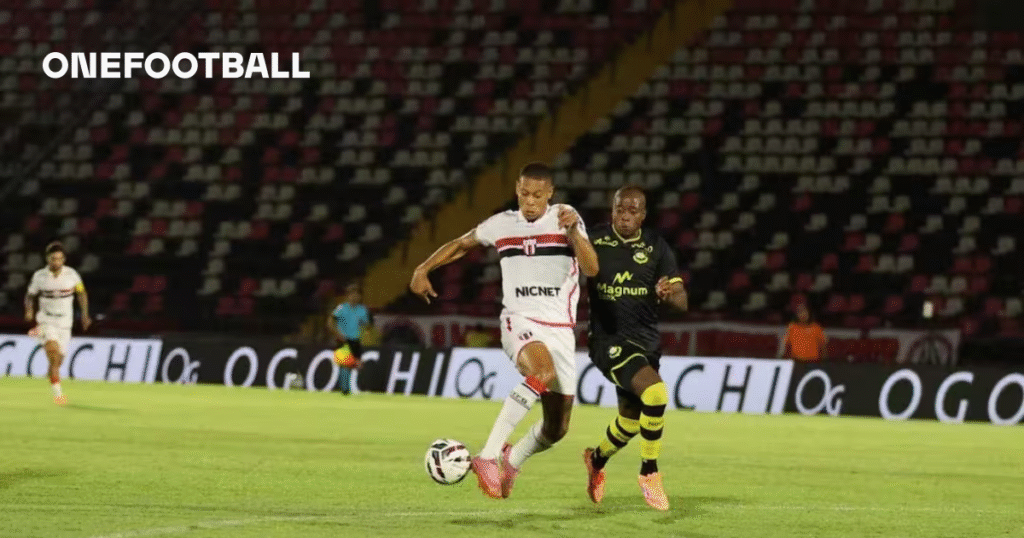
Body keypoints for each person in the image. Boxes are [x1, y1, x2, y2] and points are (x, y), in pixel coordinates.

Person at [409, 162, 598, 499]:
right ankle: (487, 456)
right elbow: (461, 244)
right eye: (525, 193)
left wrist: (572, 233)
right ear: (517, 189)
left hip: (560, 330)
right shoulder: (502, 224)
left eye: (538, 195)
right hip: (519, 321)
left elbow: (591, 267)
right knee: (541, 370)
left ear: (550, 194)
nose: (530, 201)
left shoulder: (565, 217)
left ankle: (514, 457)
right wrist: (423, 268)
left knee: (557, 429)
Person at [581, 186, 688, 511]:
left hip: (645, 343)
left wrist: (669, 293)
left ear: (643, 214)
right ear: (612, 210)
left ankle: (595, 459)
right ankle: (649, 472)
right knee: (656, 394)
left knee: (629, 421)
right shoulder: (594, 241)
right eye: (619, 209)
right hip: (607, 340)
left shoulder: (657, 247)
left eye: (633, 210)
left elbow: (682, 302)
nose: (625, 216)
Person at [24, 241, 91, 405]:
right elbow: (30, 295)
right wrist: (29, 310)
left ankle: (52, 373)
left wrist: (85, 315)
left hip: (65, 322)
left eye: (59, 259)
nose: (56, 262)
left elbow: (81, 294)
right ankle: (58, 395)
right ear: (47, 259)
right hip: (47, 319)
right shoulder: (39, 276)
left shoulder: (72, 275)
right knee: (53, 355)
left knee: (58, 361)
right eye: (53, 259)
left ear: (64, 259)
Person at [329, 283, 369, 394]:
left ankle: (347, 386)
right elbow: (331, 321)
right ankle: (345, 389)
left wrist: (363, 335)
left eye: (356, 294)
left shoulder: (362, 310)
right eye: (352, 294)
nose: (354, 297)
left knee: (357, 364)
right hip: (343, 339)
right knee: (345, 364)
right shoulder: (341, 308)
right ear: (347, 296)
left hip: (355, 340)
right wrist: (337, 334)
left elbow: (365, 325)